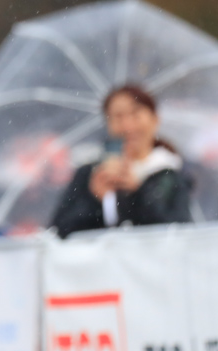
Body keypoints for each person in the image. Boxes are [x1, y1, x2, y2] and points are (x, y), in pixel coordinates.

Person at [50, 84, 193, 237]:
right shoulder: (88, 174)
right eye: (118, 117)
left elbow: (178, 232)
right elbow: (60, 232)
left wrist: (137, 193)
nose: (127, 126)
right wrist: (94, 199)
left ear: (154, 119)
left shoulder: (169, 175)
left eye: (135, 114)